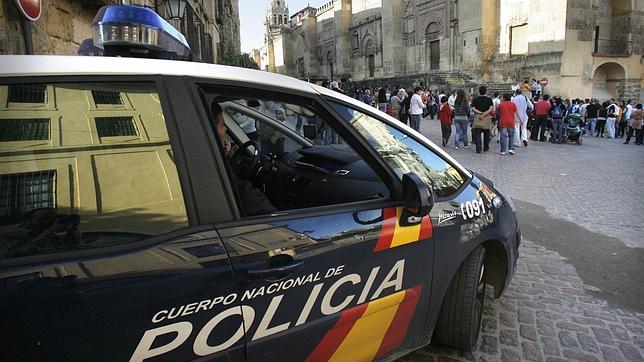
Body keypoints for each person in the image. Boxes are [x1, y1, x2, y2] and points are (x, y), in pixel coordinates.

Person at [211, 102, 277, 216]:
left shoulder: (210, 160)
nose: (225, 129)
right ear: (213, 130)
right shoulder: (244, 195)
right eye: (222, 124)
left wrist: (223, 154)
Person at [471, 86, 494, 153]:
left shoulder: (475, 99)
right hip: (486, 117)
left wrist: (480, 112)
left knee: (477, 134)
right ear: (485, 91)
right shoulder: (489, 100)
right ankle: (486, 147)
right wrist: (484, 114)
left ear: (479, 91)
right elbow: (491, 108)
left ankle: (478, 148)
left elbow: (473, 108)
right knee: (486, 133)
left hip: (478, 117)